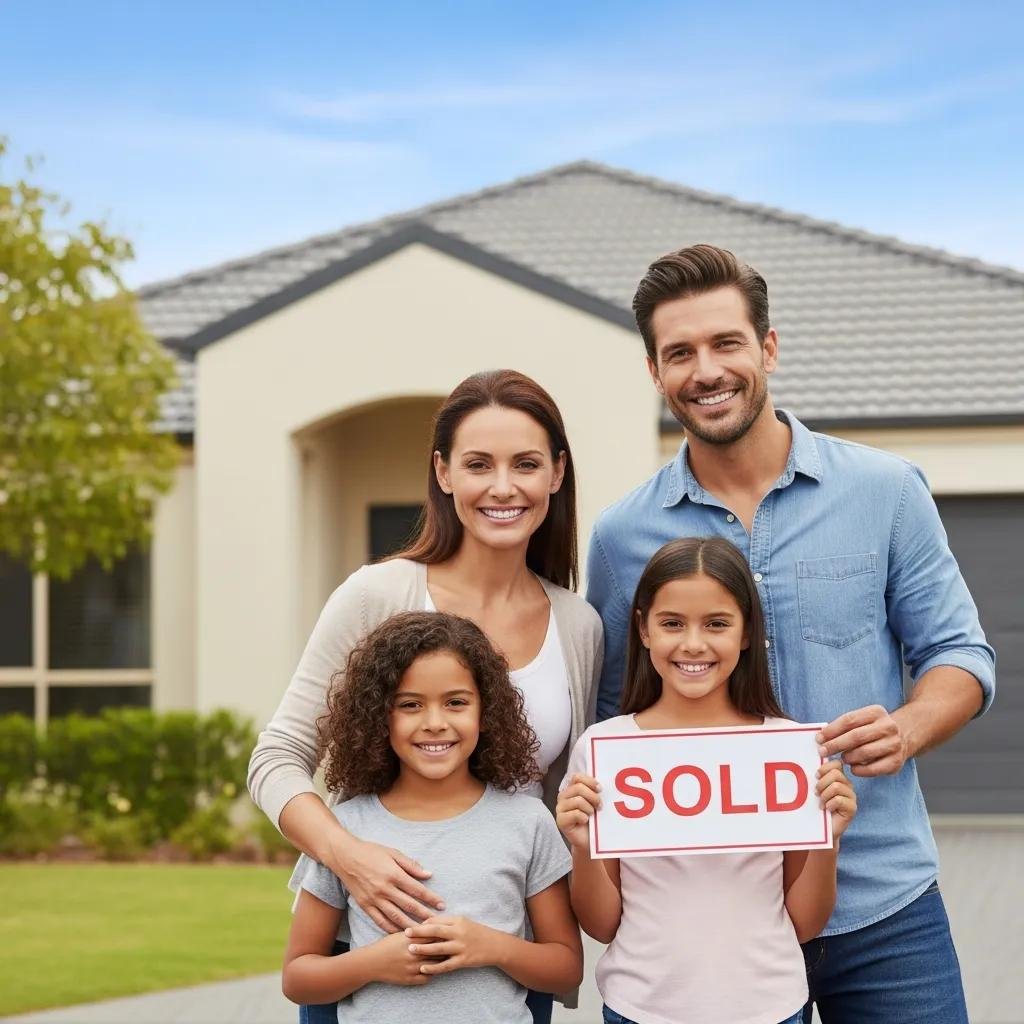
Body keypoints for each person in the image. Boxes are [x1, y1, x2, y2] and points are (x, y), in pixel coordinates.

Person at [586, 244, 995, 1023]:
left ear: (767, 348)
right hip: (705, 935)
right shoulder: (620, 534)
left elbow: (960, 655)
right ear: (655, 372)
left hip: (881, 904)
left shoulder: (886, 491)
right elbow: (615, 714)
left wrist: (906, 729)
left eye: (725, 343)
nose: (705, 370)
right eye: (680, 353)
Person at [248, 369, 602, 1024]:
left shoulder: (578, 625)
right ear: (443, 473)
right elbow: (276, 759)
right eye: (478, 464)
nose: (503, 487)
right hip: (369, 957)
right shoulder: (379, 596)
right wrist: (348, 857)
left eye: (525, 464)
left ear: (556, 473)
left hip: (501, 966)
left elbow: (566, 802)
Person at [559, 537, 856, 1024]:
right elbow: (601, 924)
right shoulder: (602, 749)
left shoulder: (791, 748)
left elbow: (803, 923)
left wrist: (828, 840)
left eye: (716, 624)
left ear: (745, 633)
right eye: (672, 623)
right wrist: (583, 848)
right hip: (641, 1008)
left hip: (772, 1007)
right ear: (644, 629)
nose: (693, 644)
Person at [283, 611, 583, 1022]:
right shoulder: (346, 829)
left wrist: (489, 946)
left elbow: (566, 967)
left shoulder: (528, 822)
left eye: (456, 702)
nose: (435, 723)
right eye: (410, 705)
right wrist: (372, 963)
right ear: (379, 716)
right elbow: (297, 978)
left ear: (486, 710)